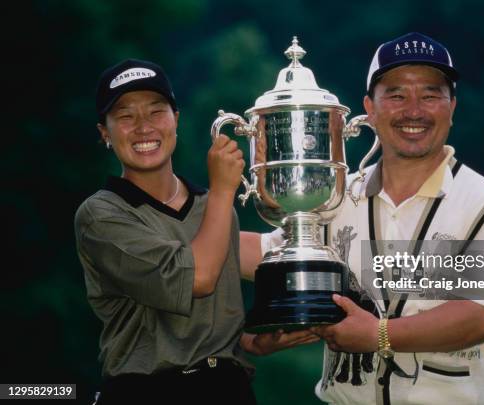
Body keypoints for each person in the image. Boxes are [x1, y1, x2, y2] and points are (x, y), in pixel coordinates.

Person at [245, 32, 484, 404]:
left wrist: (380, 334)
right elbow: (265, 254)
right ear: (369, 109)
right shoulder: (337, 196)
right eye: (395, 94)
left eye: (430, 94)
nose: (414, 110)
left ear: (452, 107)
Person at [74, 58, 318, 405]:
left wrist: (250, 340)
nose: (143, 127)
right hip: (147, 391)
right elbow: (199, 278)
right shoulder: (102, 215)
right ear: (105, 133)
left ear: (177, 119)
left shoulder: (211, 208)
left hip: (227, 389)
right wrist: (223, 190)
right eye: (126, 116)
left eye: (157, 111)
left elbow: (225, 297)